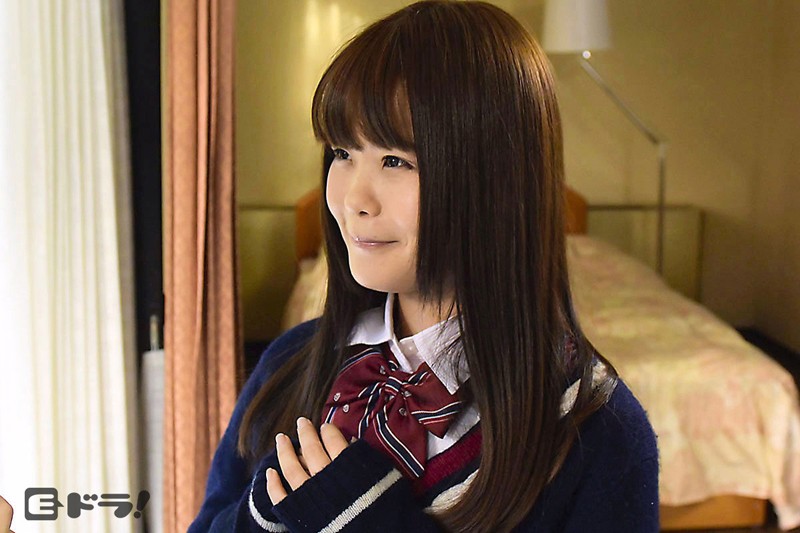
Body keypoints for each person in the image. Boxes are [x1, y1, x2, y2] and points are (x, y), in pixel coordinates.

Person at [189, 1, 659, 531]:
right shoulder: (291, 362)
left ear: (497, 183)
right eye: (342, 153)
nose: (353, 199)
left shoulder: (598, 432)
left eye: (395, 161)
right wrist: (261, 514)